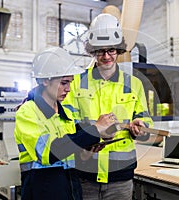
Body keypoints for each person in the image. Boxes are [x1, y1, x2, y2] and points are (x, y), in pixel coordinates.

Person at [63, 13, 153, 200]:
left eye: (111, 50)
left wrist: (141, 126)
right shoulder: (76, 83)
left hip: (120, 177)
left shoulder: (133, 84)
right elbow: (66, 124)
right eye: (100, 51)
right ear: (92, 51)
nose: (106, 56)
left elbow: (145, 121)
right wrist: (93, 132)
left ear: (119, 50)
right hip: (85, 173)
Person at [14, 47, 117, 200]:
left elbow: (70, 151)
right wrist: (95, 129)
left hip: (71, 191)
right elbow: (47, 153)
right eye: (64, 83)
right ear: (44, 80)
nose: (68, 89)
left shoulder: (66, 113)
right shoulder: (28, 112)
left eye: (70, 83)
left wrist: (85, 153)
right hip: (41, 192)